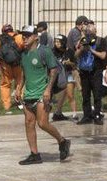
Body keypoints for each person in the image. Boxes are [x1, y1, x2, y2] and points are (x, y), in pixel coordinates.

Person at [18, 25, 71, 165]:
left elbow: (53, 71)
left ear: (36, 36)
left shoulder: (44, 51)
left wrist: (48, 90)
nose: (24, 38)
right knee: (29, 123)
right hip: (28, 93)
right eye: (23, 35)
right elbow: (23, 73)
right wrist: (18, 88)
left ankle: (62, 141)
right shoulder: (23, 53)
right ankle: (34, 154)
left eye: (27, 35)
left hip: (42, 93)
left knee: (42, 123)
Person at [0, 24, 25, 112]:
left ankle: (7, 105)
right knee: (20, 82)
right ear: (12, 30)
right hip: (18, 64)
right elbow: (25, 47)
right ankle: (20, 100)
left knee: (5, 85)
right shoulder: (19, 37)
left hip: (5, 66)